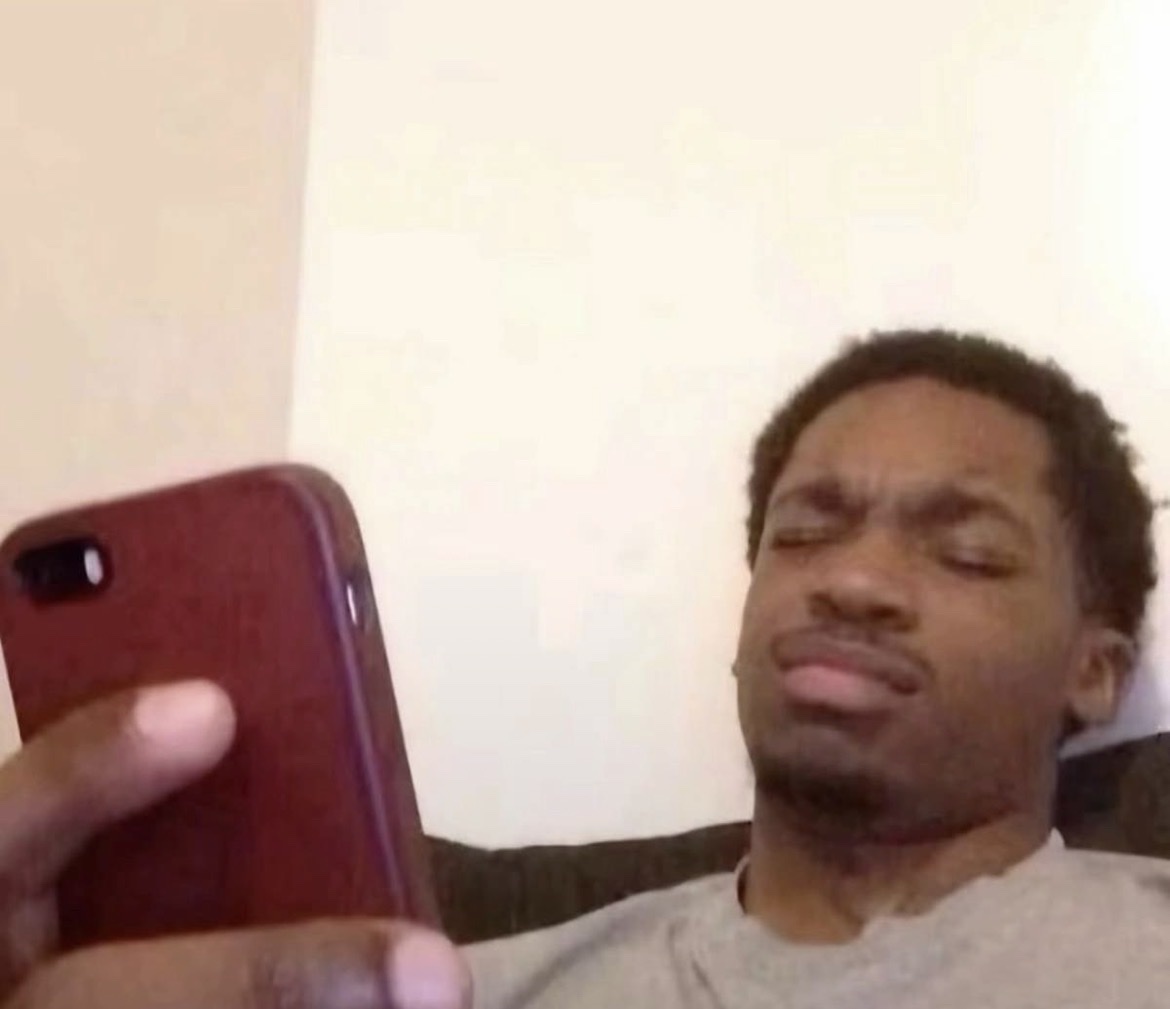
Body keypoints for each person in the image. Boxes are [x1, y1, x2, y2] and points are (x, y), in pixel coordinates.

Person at [0, 328, 1164, 1008]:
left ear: (1097, 670)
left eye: (966, 551)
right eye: (805, 533)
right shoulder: (454, 984)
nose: (852, 581)